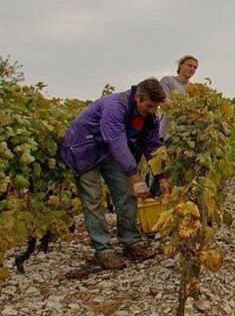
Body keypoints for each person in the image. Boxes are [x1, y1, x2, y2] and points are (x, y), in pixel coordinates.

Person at [60, 79, 172, 269]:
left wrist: (160, 177)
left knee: (127, 194)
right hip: (84, 148)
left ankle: (131, 241)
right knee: (93, 199)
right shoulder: (115, 105)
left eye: (155, 107)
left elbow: (152, 146)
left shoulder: (151, 116)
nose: (152, 110)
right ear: (138, 96)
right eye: (148, 105)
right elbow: (116, 141)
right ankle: (103, 250)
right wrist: (136, 177)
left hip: (109, 151)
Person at [158, 55, 198, 140]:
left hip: (184, 137)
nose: (192, 69)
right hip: (166, 132)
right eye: (189, 65)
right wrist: (186, 109)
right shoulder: (167, 80)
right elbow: (164, 103)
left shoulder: (194, 89)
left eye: (195, 67)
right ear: (180, 65)